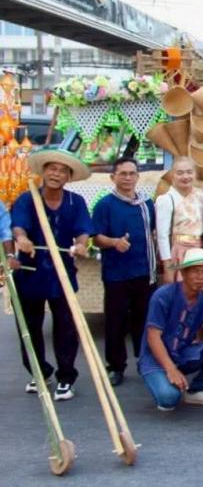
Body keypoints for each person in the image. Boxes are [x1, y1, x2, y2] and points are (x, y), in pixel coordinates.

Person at [10, 149, 93, 401]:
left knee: (66, 327)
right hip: (30, 273)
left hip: (62, 273)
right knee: (29, 327)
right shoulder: (27, 199)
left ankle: (66, 377)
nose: (56, 174)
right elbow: (18, 227)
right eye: (52, 168)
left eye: (62, 171)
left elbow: (83, 231)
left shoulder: (75, 202)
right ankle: (39, 373)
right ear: (44, 172)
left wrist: (81, 245)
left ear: (69, 176)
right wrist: (22, 239)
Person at [138, 249, 203, 410]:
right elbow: (153, 337)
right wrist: (171, 369)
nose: (201, 277)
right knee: (169, 398)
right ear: (184, 273)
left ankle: (197, 389)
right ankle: (163, 378)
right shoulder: (163, 295)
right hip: (154, 358)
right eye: (195, 271)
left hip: (183, 353)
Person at [92, 157, 157, 387]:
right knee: (115, 322)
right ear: (113, 177)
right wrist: (114, 242)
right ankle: (116, 366)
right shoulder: (105, 205)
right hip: (116, 274)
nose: (128, 178)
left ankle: (145, 361)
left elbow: (153, 232)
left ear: (138, 177)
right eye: (123, 174)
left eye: (132, 173)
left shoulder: (146, 204)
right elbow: (95, 238)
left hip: (144, 271)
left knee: (144, 320)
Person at [155, 156, 203, 284]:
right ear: (172, 176)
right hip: (177, 252)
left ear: (195, 174)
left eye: (189, 172)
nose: (185, 176)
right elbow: (162, 235)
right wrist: (167, 264)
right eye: (180, 173)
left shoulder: (202, 196)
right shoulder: (166, 200)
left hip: (199, 251)